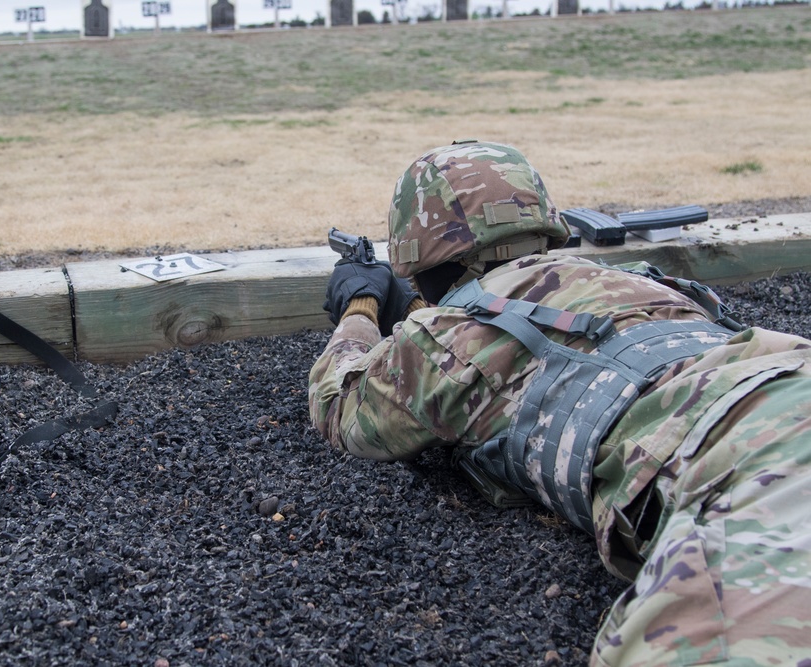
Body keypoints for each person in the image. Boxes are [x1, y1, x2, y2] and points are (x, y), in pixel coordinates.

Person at [309, 139, 811, 666]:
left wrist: (360, 307)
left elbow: (341, 404)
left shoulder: (443, 342)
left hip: (748, 454)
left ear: (418, 250)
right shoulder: (634, 279)